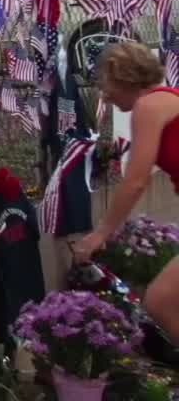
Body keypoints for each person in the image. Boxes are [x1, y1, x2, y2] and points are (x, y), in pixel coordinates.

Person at [72, 40, 179, 340]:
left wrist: (101, 233)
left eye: (106, 83)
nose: (104, 95)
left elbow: (135, 181)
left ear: (125, 77)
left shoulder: (148, 106)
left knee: (160, 301)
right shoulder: (166, 99)